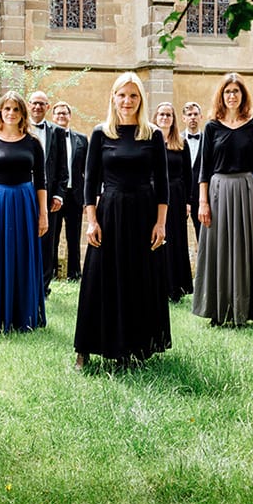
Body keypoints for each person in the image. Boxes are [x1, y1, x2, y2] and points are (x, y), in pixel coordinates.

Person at [75, 74, 170, 368]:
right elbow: (90, 182)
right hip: (110, 212)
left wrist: (160, 223)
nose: (127, 101)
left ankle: (133, 347)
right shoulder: (101, 134)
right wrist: (91, 221)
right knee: (98, 278)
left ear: (140, 100)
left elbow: (163, 184)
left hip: (143, 213)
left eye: (133, 96)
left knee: (138, 279)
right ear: (113, 98)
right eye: (122, 95)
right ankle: (86, 348)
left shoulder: (152, 135)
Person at [0, 92, 48, 333]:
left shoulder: (33, 143)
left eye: (16, 109)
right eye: (7, 109)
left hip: (25, 203)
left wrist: (43, 214)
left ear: (23, 113)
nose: (11, 113)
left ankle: (22, 316)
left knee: (23, 255)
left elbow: (41, 181)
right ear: (0, 112)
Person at [192, 73, 253, 327]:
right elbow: (204, 168)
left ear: (243, 95)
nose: (232, 96)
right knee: (218, 247)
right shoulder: (212, 126)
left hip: (246, 190)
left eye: (236, 91)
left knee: (244, 249)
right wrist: (203, 202)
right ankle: (217, 310)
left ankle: (243, 310)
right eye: (227, 92)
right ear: (221, 96)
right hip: (217, 191)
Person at [153, 101, 194, 302]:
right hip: (154, 196)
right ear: (155, 117)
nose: (165, 118)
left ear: (174, 119)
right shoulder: (149, 141)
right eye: (161, 114)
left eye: (169, 115)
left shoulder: (182, 143)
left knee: (176, 240)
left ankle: (176, 287)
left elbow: (188, 174)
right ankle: (157, 285)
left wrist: (188, 201)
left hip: (177, 196)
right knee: (156, 238)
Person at [27, 90, 68, 294]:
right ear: (28, 105)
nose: (37, 107)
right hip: (23, 194)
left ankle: (43, 288)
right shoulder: (20, 129)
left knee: (47, 242)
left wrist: (59, 194)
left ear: (48, 107)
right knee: (24, 238)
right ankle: (25, 284)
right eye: (34, 103)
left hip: (50, 197)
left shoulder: (58, 132)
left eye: (42, 104)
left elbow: (63, 168)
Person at [50, 101, 88, 280]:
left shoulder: (81, 139)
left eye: (64, 113)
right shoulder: (49, 138)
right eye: (58, 113)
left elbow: (88, 170)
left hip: (76, 195)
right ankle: (52, 273)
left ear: (70, 116)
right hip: (55, 195)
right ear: (53, 116)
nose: (61, 116)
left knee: (74, 236)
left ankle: (74, 274)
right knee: (53, 236)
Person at [181, 100, 204, 239]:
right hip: (180, 195)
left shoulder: (208, 140)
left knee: (203, 235)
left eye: (196, 114)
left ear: (201, 117)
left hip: (201, 196)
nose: (193, 117)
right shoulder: (176, 140)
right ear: (184, 118)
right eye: (189, 114)